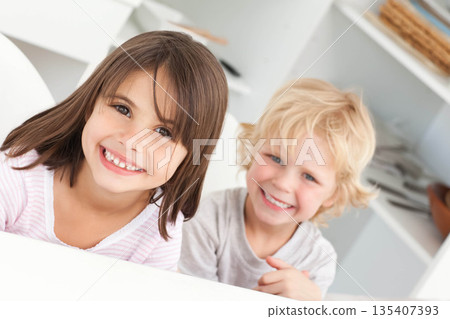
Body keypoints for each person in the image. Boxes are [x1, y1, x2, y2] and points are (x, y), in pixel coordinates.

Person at [0, 31, 228, 271]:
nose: (132, 142)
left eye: (163, 132)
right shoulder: (18, 175)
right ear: (91, 104)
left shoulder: (160, 228)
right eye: (122, 109)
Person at [179, 78, 376, 299]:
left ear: (334, 195)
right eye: (275, 158)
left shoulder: (318, 261)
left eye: (309, 176)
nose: (283, 183)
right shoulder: (208, 217)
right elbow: (193, 305)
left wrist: (307, 308)